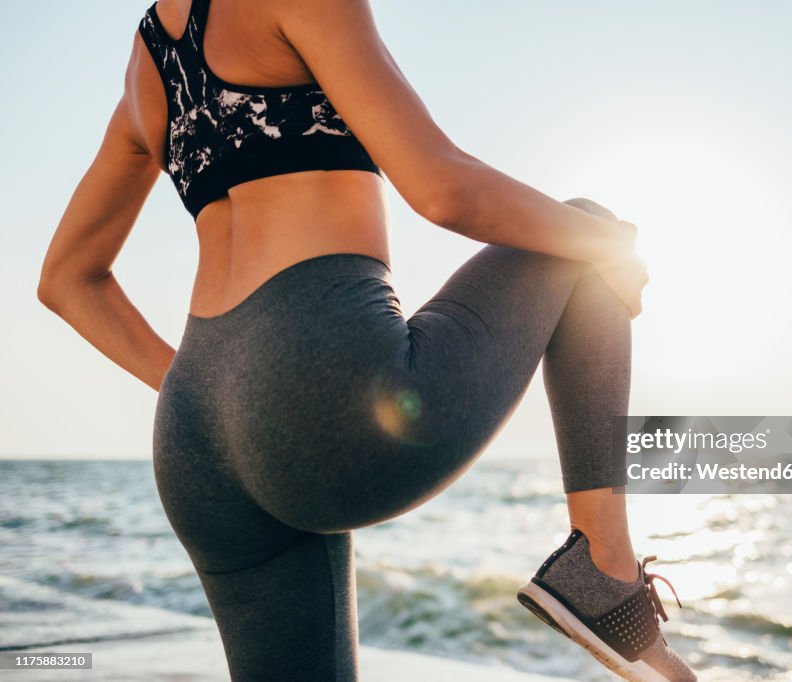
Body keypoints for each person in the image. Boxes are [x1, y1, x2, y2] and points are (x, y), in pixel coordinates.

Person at [37, 1, 697, 680]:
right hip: (314, 380)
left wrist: (223, 395)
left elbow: (66, 280)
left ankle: (602, 573)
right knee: (582, 227)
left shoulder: (147, 62)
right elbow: (445, 191)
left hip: (195, 441)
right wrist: (614, 249)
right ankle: (603, 567)